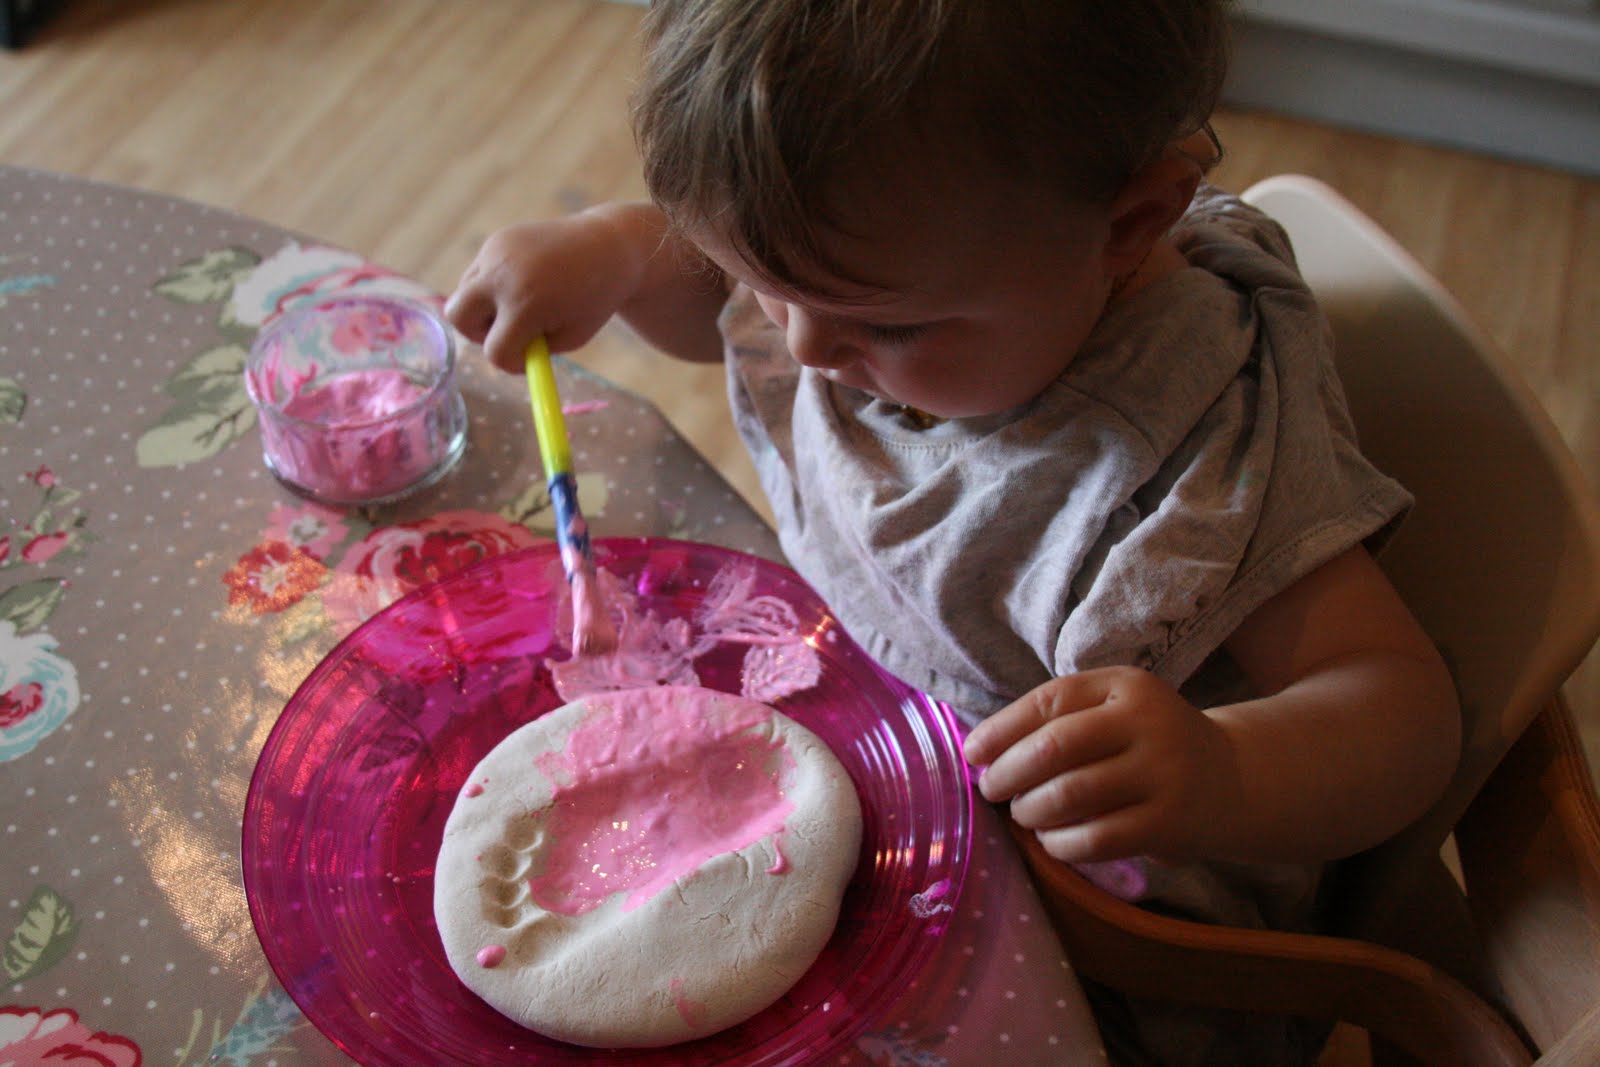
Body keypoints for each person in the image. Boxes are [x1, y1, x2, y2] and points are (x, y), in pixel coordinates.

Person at [445, 1, 1461, 1061]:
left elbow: (1404, 713)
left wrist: (1221, 771)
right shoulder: (900, 263)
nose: (806, 349)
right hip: (882, 768)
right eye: (758, 281)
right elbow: (733, 312)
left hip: (1103, 946)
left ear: (1128, 227)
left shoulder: (1201, 463)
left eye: (884, 324)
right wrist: (621, 253)